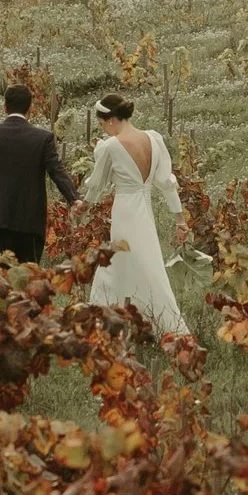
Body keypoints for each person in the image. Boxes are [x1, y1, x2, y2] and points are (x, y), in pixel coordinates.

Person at [81, 93, 191, 337]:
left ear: (110, 120)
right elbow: (166, 182)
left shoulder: (110, 146)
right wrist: (179, 218)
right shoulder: (154, 138)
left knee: (112, 267)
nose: (104, 130)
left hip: (125, 211)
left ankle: (102, 327)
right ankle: (141, 323)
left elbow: (97, 184)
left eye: (102, 125)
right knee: (144, 264)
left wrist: (84, 206)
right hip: (144, 210)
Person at [0, 83, 79, 264]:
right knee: (26, 285)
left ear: (5, 107)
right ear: (31, 108)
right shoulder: (43, 138)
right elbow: (57, 171)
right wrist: (73, 198)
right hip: (29, 223)